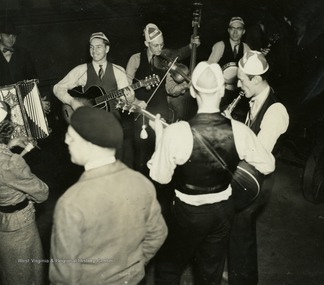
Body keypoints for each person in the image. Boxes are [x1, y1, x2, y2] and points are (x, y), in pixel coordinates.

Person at [147, 61, 275, 284]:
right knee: (210, 272)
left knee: (168, 268)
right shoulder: (240, 130)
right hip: (223, 212)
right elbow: (268, 165)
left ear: (194, 92)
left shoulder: (176, 132)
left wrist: (160, 138)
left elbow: (160, 177)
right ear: (223, 89)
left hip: (188, 213)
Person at [49, 106, 167, 284]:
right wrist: (134, 266)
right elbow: (158, 233)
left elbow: (64, 275)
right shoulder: (141, 182)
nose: (66, 141)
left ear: (89, 145)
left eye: (71, 137)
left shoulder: (71, 202)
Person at [227, 50, 289, 285]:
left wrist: (230, 130)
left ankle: (243, 279)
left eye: (242, 80)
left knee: (242, 233)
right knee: (238, 231)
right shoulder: (255, 98)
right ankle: (238, 274)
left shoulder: (275, 110)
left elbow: (258, 154)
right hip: (248, 175)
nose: (239, 85)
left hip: (258, 182)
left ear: (256, 79)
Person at [126, 23, 198, 175]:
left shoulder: (165, 61)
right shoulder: (136, 59)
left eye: (162, 44)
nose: (160, 49)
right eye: (156, 45)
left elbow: (171, 89)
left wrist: (184, 86)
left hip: (161, 113)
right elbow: (126, 88)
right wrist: (135, 101)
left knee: (161, 155)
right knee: (140, 157)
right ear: (147, 43)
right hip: (141, 114)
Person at [53, 31, 134, 165]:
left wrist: (130, 99)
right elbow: (58, 88)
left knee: (116, 162)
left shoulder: (118, 70)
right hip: (90, 126)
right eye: (91, 47)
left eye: (98, 47)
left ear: (107, 49)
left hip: (113, 125)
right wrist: (72, 101)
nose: (94, 50)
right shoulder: (82, 70)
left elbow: (126, 101)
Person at [0, 101, 49, 285]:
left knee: (9, 274)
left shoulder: (8, 162)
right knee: (29, 276)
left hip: (3, 224)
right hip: (20, 229)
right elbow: (42, 193)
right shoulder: (12, 163)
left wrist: (11, 145)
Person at [0, 18, 50, 113]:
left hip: (24, 103)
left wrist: (38, 100)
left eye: (14, 35)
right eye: (7, 35)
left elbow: (33, 79)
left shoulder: (23, 53)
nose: (11, 38)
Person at [208, 16, 251, 110]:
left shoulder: (246, 48)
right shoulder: (220, 46)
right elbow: (209, 69)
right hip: (221, 91)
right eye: (232, 28)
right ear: (228, 30)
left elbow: (249, 71)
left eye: (239, 29)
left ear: (243, 31)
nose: (235, 32)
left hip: (238, 91)